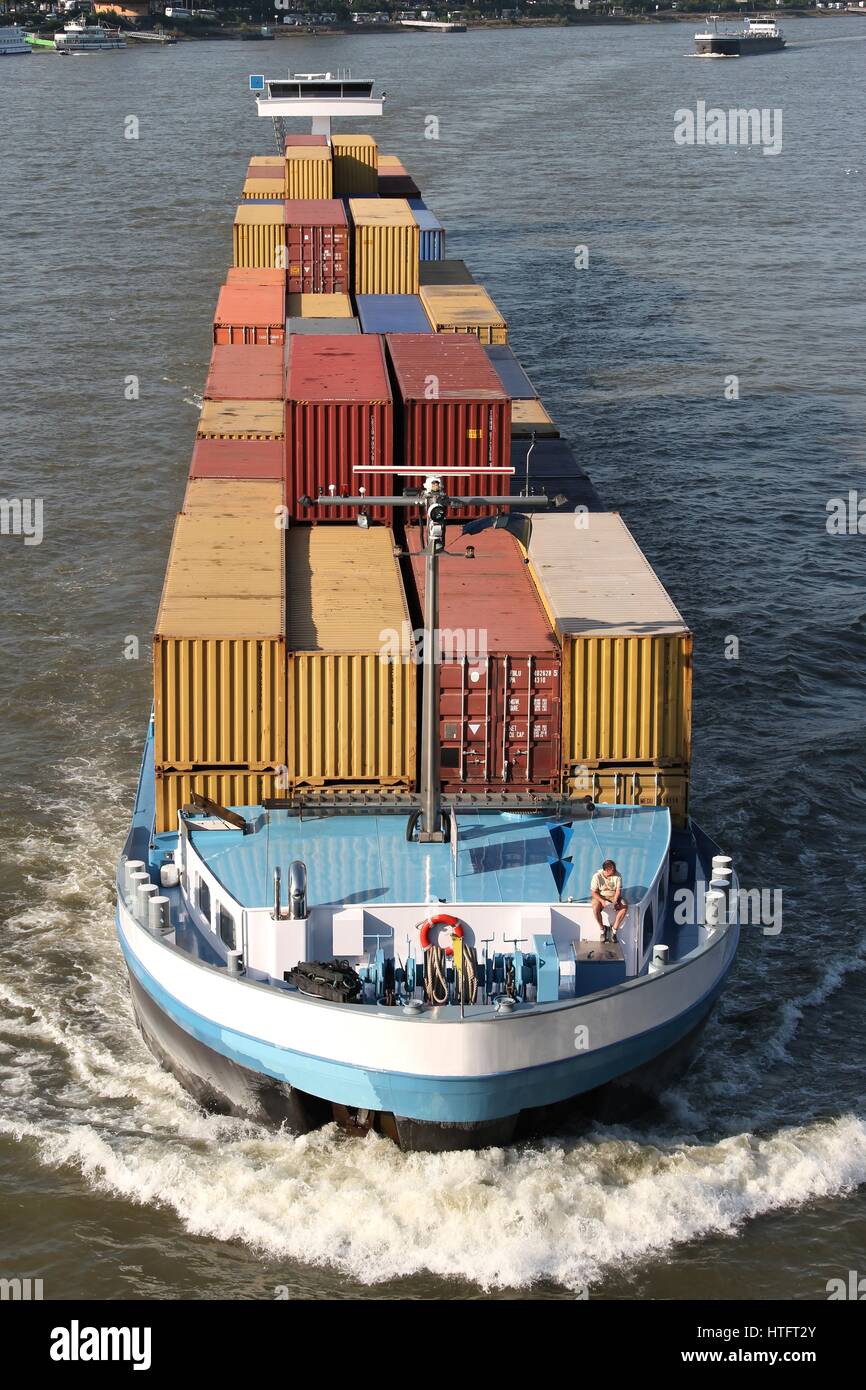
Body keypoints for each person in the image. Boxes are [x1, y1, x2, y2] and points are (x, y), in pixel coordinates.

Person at [591, 859, 628, 942]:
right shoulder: (597, 876)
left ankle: (614, 930)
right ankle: (602, 929)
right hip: (601, 895)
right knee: (595, 909)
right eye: (613, 870)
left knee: (624, 907)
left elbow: (618, 891)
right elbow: (593, 892)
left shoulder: (618, 875)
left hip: (613, 895)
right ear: (606, 870)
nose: (615, 871)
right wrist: (602, 901)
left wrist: (615, 901)